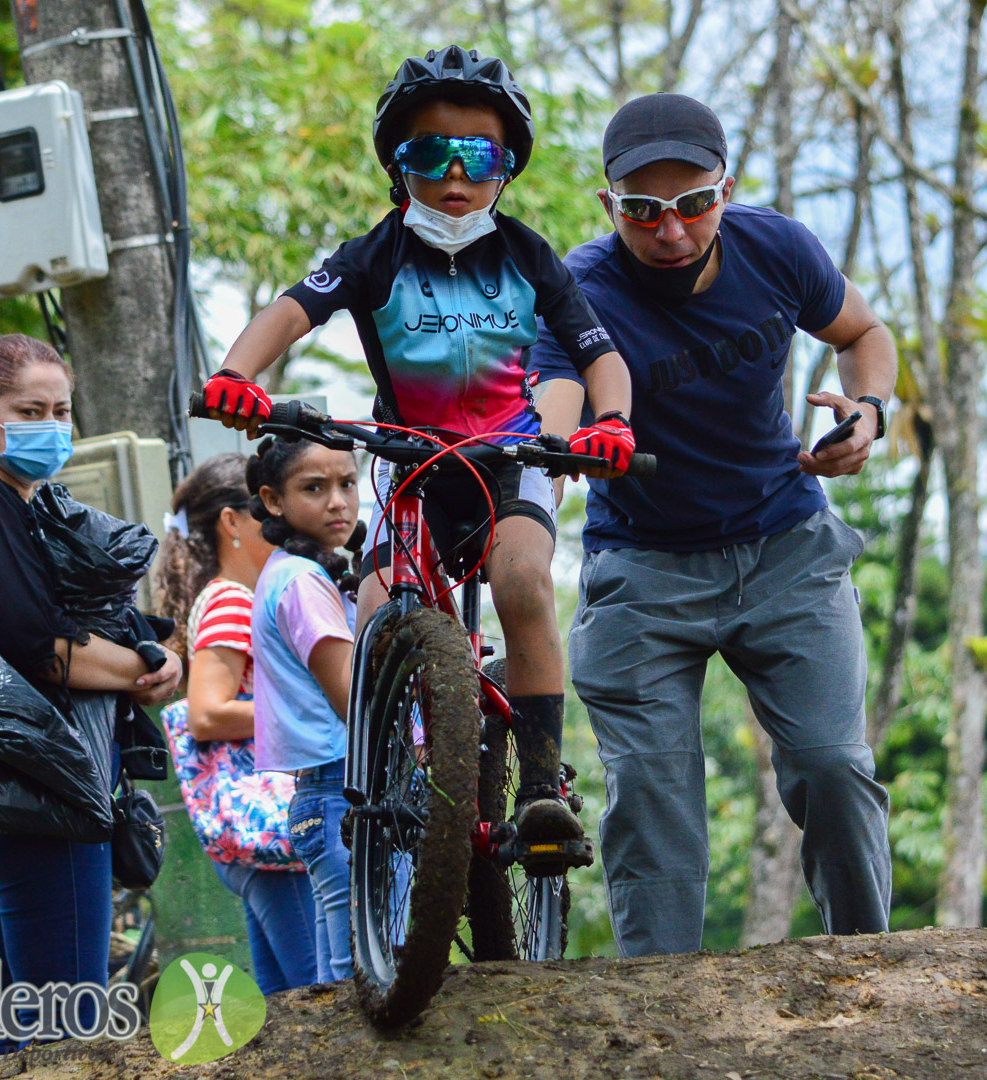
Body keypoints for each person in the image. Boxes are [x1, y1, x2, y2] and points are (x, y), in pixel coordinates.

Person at [198, 45, 636, 854]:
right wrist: (236, 373)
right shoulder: (376, 252)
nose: (456, 174)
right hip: (410, 459)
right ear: (400, 166)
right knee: (374, 617)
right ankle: (386, 776)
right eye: (432, 152)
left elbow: (596, 354)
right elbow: (292, 312)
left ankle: (541, 789)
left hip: (509, 458)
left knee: (523, 578)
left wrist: (609, 422)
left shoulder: (529, 254)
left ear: (507, 168)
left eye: (481, 154)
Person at [529, 93, 898, 956]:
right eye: (645, 212)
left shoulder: (778, 249)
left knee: (835, 767)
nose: (673, 231)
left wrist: (870, 412)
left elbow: (864, 330)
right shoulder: (580, 288)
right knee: (653, 794)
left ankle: (873, 964)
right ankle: (663, 1005)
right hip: (645, 573)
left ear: (726, 192)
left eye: (695, 204)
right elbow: (558, 392)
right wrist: (561, 440)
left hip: (786, 550)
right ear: (608, 206)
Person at [0, 334, 182, 1056]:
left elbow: (101, 624)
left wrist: (150, 654)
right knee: (66, 1030)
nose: (52, 425)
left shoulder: (31, 504)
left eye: (61, 410)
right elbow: (36, 642)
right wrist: (143, 672)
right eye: (29, 410)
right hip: (31, 782)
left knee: (19, 1029)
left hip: (17, 780)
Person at [153, 454, 319, 994]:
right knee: (316, 990)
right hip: (268, 822)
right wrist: (306, 712)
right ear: (231, 522)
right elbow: (206, 713)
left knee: (282, 1003)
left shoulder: (231, 598)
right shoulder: (231, 600)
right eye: (264, 511)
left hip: (252, 835)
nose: (282, 524)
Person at [243, 436, 361, 981]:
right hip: (344, 791)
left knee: (336, 976)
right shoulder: (303, 582)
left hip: (321, 793)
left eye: (346, 484)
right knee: (359, 972)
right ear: (272, 500)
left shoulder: (293, 573)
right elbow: (350, 697)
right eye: (314, 488)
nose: (337, 502)